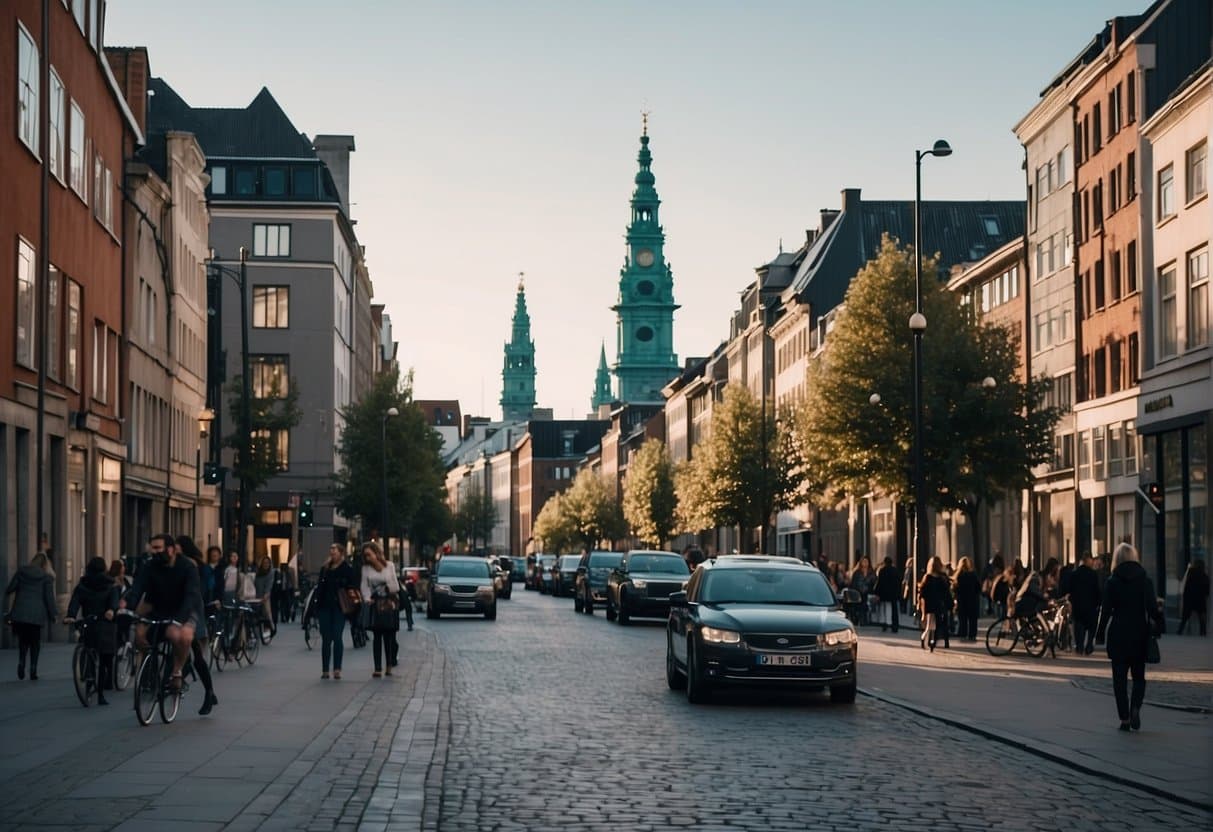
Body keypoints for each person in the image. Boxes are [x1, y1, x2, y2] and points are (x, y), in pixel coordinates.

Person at [126, 533, 209, 707]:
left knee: (182, 636)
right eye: (152, 548)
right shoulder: (150, 566)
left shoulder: (187, 567)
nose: (153, 552)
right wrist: (128, 606)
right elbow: (138, 587)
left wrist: (179, 621)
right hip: (159, 608)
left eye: (158, 548)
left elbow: (191, 596)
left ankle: (177, 671)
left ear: (170, 549)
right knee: (139, 634)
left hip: (185, 610)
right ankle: (149, 667)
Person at [1096, 543, 1164, 731]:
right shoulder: (1145, 580)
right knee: (1139, 677)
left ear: (1116, 559)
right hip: (1139, 633)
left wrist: (1099, 634)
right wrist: (1159, 625)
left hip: (1118, 633)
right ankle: (1135, 707)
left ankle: (1124, 718)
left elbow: (1106, 611)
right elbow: (1152, 608)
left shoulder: (1112, 581)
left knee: (1119, 680)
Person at [65, 556, 121, 704]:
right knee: (104, 658)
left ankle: (89, 678)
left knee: (88, 647)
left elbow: (75, 601)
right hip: (105, 623)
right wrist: (111, 610)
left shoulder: (83, 584)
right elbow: (114, 601)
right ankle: (101, 693)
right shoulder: (111, 585)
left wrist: (71, 615)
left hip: (89, 621)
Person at [177, 535, 220, 715]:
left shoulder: (195, 566)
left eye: (177, 547)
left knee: (196, 656)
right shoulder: (177, 564)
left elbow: (201, 589)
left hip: (193, 611)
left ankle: (208, 692)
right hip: (180, 610)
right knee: (190, 655)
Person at [5, 552, 57, 681]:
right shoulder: (46, 577)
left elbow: (10, 589)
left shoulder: (21, 572)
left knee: (23, 641)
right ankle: (33, 669)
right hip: (36, 615)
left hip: (20, 612)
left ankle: (21, 663)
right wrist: (53, 614)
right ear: (45, 565)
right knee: (35, 642)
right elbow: (49, 598)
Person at [311, 543, 355, 679]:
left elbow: (351, 586)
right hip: (324, 606)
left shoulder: (346, 569)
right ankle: (325, 669)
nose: (332, 553)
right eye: (331, 551)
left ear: (341, 553)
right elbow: (320, 588)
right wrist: (316, 605)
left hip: (339, 607)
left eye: (334, 551)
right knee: (326, 638)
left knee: (337, 636)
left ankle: (337, 668)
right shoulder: (325, 568)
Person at [361, 542, 401, 678]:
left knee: (389, 636)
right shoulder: (365, 568)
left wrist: (388, 586)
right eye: (365, 555)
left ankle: (389, 665)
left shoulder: (389, 566)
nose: (367, 558)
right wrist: (367, 598)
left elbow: (395, 585)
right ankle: (377, 667)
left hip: (388, 603)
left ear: (376, 553)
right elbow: (364, 586)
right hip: (375, 603)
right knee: (377, 636)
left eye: (369, 554)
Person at [1069, 552, 1101, 654]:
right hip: (1090, 605)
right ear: (1088, 560)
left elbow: (1071, 589)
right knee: (1091, 626)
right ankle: (1089, 644)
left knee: (1079, 626)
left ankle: (1080, 646)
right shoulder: (1093, 574)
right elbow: (1097, 590)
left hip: (1078, 604)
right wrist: (1098, 602)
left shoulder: (1075, 573)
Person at [918, 557, 952, 652]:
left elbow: (922, 594)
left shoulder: (927, 578)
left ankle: (925, 638)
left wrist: (921, 607)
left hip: (929, 605)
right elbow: (946, 593)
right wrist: (950, 605)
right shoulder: (941, 579)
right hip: (938, 605)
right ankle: (932, 641)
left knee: (929, 625)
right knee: (936, 625)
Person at [952, 556, 982, 642]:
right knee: (972, 619)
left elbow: (955, 589)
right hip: (972, 600)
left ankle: (962, 632)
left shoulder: (958, 576)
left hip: (962, 600)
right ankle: (972, 634)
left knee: (962, 618)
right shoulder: (973, 575)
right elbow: (978, 588)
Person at [1179, 559, 1209, 636]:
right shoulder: (1204, 576)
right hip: (1200, 599)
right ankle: (1203, 632)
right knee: (1202, 616)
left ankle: (1180, 631)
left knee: (1185, 617)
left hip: (1190, 598)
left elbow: (1185, 585)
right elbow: (1207, 590)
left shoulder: (1190, 573)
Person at [874, 556, 901, 633]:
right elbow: (898, 583)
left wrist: (877, 593)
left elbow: (880, 583)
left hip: (884, 594)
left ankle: (885, 624)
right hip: (894, 594)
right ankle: (894, 626)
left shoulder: (882, 571)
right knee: (894, 610)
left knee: (884, 609)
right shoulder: (895, 571)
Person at [254, 555, 277, 636]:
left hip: (265, 595)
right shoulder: (258, 572)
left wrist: (266, 595)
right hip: (256, 596)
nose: (266, 564)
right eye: (264, 563)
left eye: (267, 563)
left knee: (267, 612)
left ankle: (272, 628)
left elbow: (269, 585)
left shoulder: (271, 572)